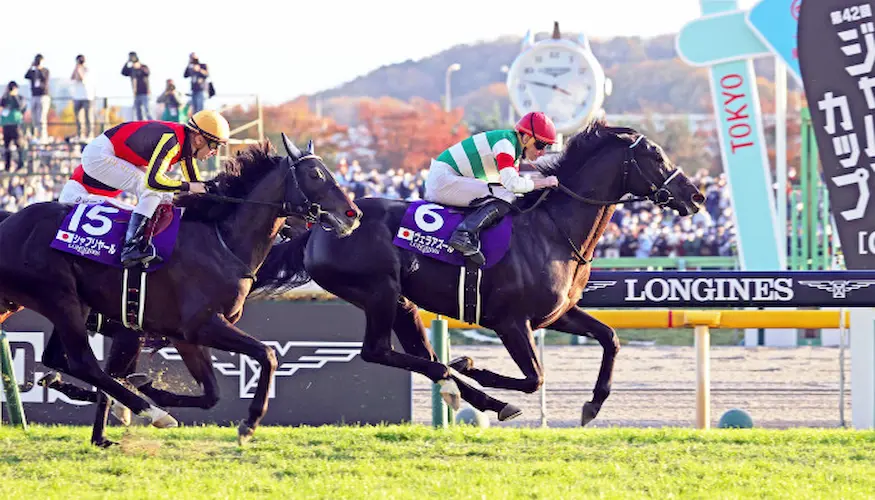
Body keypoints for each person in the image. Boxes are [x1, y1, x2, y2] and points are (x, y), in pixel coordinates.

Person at [73, 109, 230, 267]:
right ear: (198, 139)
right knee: (152, 191)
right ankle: (131, 247)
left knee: (165, 196)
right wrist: (189, 186)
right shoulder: (173, 141)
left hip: (109, 152)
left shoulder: (184, 145)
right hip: (99, 155)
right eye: (214, 145)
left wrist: (211, 191)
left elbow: (195, 181)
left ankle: (151, 241)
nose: (215, 153)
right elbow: (153, 182)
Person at [424, 111, 559, 265]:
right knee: (506, 196)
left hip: (448, 178)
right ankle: (464, 234)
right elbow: (513, 185)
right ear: (526, 137)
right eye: (540, 145)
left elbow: (513, 186)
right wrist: (544, 182)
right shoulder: (505, 144)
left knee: (506, 195)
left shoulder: (512, 150)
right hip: (443, 179)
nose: (542, 152)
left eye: (546, 146)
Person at [0, 81, 27, 170]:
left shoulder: (20, 98)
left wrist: (14, 96)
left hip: (16, 125)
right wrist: (7, 94)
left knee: (19, 144)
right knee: (7, 146)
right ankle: (7, 165)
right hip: (6, 125)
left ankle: (21, 163)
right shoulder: (5, 98)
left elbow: (20, 106)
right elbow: (2, 104)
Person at [122, 52, 152, 120]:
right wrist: (127, 62)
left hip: (145, 92)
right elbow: (123, 72)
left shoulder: (143, 67)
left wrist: (139, 67)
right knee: (138, 111)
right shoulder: (132, 69)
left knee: (147, 110)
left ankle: (151, 123)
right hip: (136, 93)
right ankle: (140, 124)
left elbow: (147, 73)